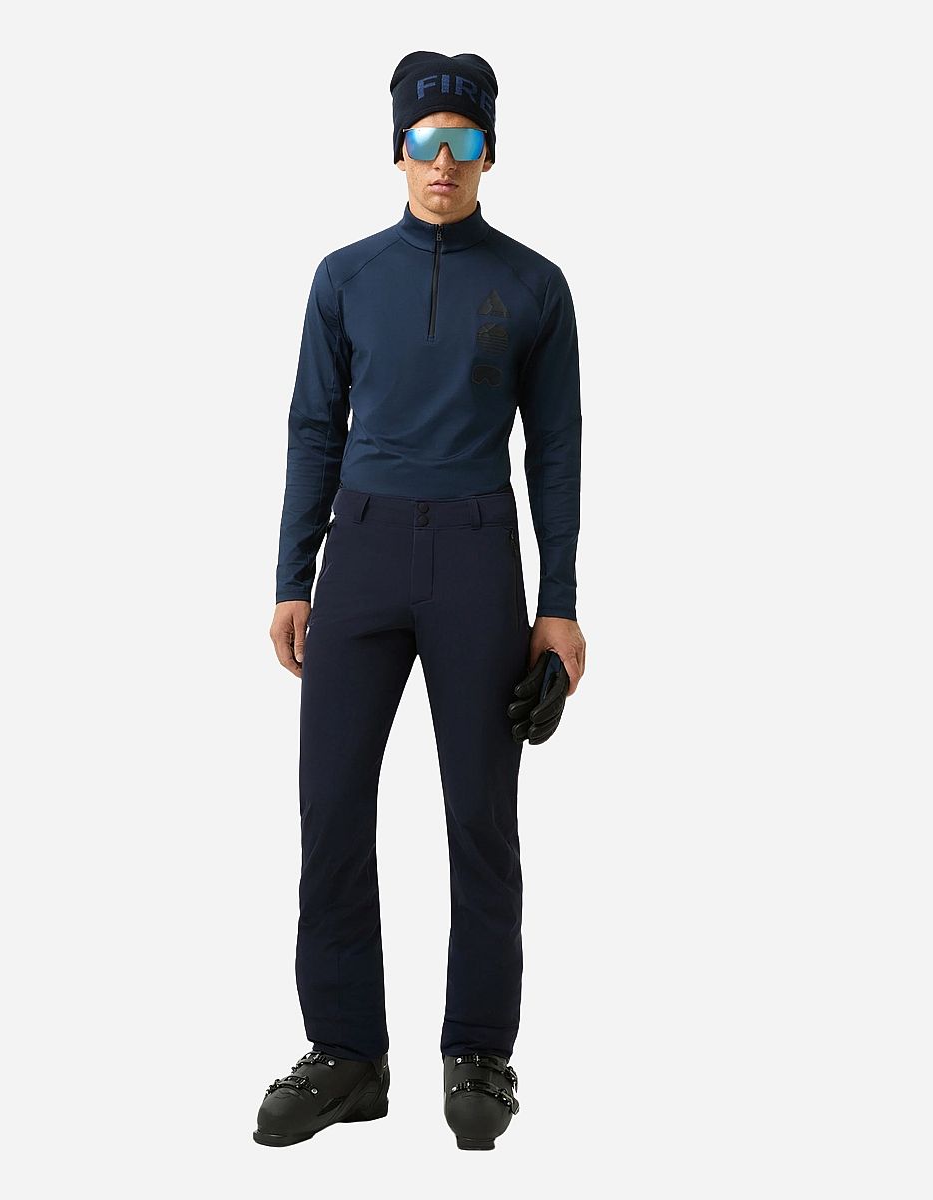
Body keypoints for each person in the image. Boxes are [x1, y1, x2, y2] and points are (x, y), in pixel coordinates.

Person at [256, 50, 586, 1151]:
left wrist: (559, 604)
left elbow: (555, 451)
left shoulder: (534, 286)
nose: (444, 162)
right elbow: (313, 427)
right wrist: (293, 577)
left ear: (491, 153)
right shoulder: (344, 278)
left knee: (481, 813)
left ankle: (479, 1050)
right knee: (331, 806)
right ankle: (347, 1052)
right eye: (426, 141)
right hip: (360, 553)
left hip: (480, 556)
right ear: (397, 150)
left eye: (465, 142)